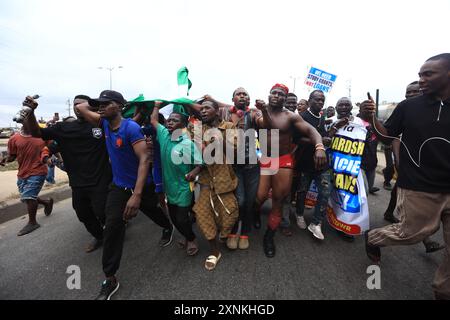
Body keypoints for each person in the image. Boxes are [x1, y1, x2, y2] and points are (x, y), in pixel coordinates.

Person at [361, 53, 450, 300]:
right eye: (420, 74)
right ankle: (375, 237)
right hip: (420, 187)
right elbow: (386, 136)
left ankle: (443, 291)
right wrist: (372, 118)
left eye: (428, 74)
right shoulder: (409, 107)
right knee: (411, 233)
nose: (421, 79)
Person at [76, 90, 174, 300]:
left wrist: (137, 195)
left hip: (140, 186)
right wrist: (97, 106)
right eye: (98, 104)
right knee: (112, 226)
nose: (100, 107)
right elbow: (81, 107)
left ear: (119, 106)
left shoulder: (131, 128)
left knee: (153, 212)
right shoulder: (103, 123)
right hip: (119, 187)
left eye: (105, 103)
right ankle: (110, 277)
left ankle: (167, 226)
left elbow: (145, 159)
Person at [24, 95, 111, 253]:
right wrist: (30, 112)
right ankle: (100, 236)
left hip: (101, 179)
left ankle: (114, 233)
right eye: (75, 104)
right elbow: (37, 133)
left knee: (103, 211)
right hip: (78, 183)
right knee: (83, 214)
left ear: (90, 106)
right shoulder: (63, 128)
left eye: (82, 104)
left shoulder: (102, 124)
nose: (78, 107)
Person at [254, 84, 327, 257]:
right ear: (269, 94)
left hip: (283, 160)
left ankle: (269, 236)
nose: (277, 96)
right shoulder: (259, 112)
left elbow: (312, 130)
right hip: (266, 159)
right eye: (274, 93)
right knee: (260, 197)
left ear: (285, 99)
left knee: (278, 200)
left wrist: (319, 146)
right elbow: (265, 125)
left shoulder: (291, 116)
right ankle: (256, 215)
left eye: (281, 95)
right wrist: (264, 110)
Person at [186, 88, 260, 250]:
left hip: (251, 166)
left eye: (245, 94)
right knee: (238, 202)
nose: (242, 96)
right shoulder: (224, 115)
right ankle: (230, 232)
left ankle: (245, 232)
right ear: (232, 99)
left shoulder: (253, 114)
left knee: (248, 202)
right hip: (232, 167)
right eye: (238, 94)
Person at [383, 81, 444, 253]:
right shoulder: (407, 110)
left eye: (414, 92)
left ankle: (389, 213)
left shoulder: (434, 110)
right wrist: (397, 159)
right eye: (408, 92)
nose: (410, 95)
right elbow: (395, 137)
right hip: (408, 163)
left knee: (398, 189)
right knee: (414, 202)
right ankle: (426, 239)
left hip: (426, 166)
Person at [150, 102, 203, 256]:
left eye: (174, 120)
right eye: (169, 120)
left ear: (183, 125)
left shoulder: (188, 144)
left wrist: (193, 172)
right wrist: (156, 106)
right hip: (169, 187)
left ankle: (191, 238)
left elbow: (200, 163)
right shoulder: (164, 135)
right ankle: (187, 235)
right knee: (173, 217)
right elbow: (154, 121)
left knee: (181, 218)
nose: (169, 122)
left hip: (184, 187)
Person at [192, 99, 239, 270]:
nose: (203, 111)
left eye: (207, 108)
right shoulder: (197, 129)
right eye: (201, 109)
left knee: (229, 214)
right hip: (205, 179)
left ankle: (224, 235)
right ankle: (214, 251)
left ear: (217, 111)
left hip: (224, 178)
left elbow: (235, 152)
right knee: (202, 214)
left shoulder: (229, 127)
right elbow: (195, 152)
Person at [1, 107, 53, 236]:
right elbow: (12, 155)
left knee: (29, 196)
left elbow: (53, 148)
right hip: (22, 172)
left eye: (30, 119)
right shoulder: (14, 138)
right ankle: (46, 202)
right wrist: (5, 160)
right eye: (26, 119)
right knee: (27, 197)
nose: (29, 122)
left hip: (38, 170)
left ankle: (32, 222)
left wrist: (55, 159)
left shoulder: (42, 135)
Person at [294, 90, 332, 241]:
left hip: (321, 164)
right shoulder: (301, 117)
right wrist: (318, 142)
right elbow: (296, 139)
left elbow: (321, 134)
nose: (320, 102)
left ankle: (316, 223)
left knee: (325, 191)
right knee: (302, 191)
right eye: (317, 100)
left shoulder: (322, 117)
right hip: (304, 162)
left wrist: (325, 139)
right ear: (309, 101)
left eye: (322, 100)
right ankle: (299, 214)